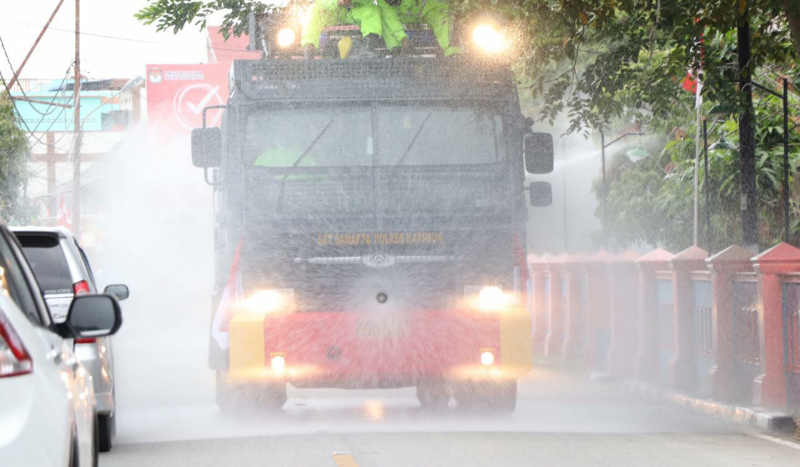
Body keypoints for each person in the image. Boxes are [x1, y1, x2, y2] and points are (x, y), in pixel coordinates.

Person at [301, 0, 408, 56]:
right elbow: (320, 2)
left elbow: (376, 6)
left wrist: (401, 39)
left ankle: (369, 47)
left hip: (356, 11)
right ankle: (309, 46)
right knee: (314, 10)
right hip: (334, 12)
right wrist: (337, 2)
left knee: (373, 10)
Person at [390, 0, 459, 56]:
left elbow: (442, 14)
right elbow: (389, 19)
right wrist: (401, 38)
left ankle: (452, 52)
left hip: (427, 9)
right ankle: (395, 47)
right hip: (399, 13)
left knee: (443, 19)